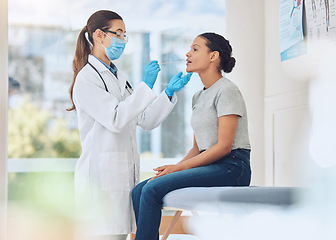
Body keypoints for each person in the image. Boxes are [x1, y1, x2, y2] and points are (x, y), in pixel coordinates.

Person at [67, 10, 192, 240]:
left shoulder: (118, 76)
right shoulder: (87, 78)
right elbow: (116, 119)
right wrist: (145, 85)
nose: (122, 41)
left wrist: (168, 93)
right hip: (101, 182)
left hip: (121, 181)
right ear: (98, 35)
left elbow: (144, 120)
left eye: (125, 35)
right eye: (118, 34)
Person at [131, 32, 251, 240]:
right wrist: (172, 169)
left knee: (151, 190)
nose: (188, 53)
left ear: (213, 56)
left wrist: (177, 168)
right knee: (139, 190)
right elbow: (197, 149)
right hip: (210, 164)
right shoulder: (198, 96)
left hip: (232, 166)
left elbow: (223, 147)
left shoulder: (227, 90)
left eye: (195, 49)